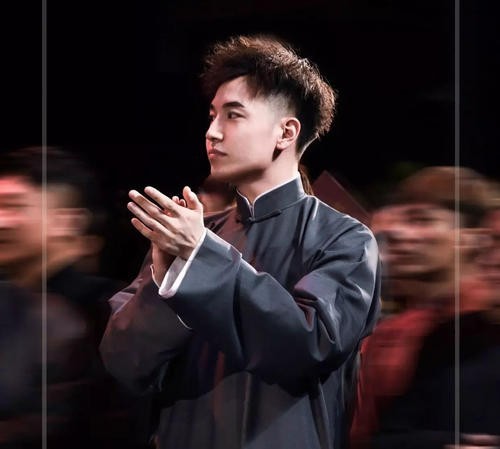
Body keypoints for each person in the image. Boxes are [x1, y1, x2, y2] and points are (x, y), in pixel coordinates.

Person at [100, 34, 380, 449]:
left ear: (286, 132)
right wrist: (165, 281)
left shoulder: (346, 239)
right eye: (212, 115)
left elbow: (309, 344)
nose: (212, 132)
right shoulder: (194, 235)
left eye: (233, 115)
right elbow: (125, 365)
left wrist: (199, 258)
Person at [0, 146, 142, 449]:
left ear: (67, 221)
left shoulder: (111, 311)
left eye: (14, 206)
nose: (2, 221)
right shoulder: (8, 304)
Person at [350, 166, 494, 449]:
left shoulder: (486, 326)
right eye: (399, 219)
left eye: (422, 220)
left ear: (471, 237)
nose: (397, 232)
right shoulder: (390, 331)